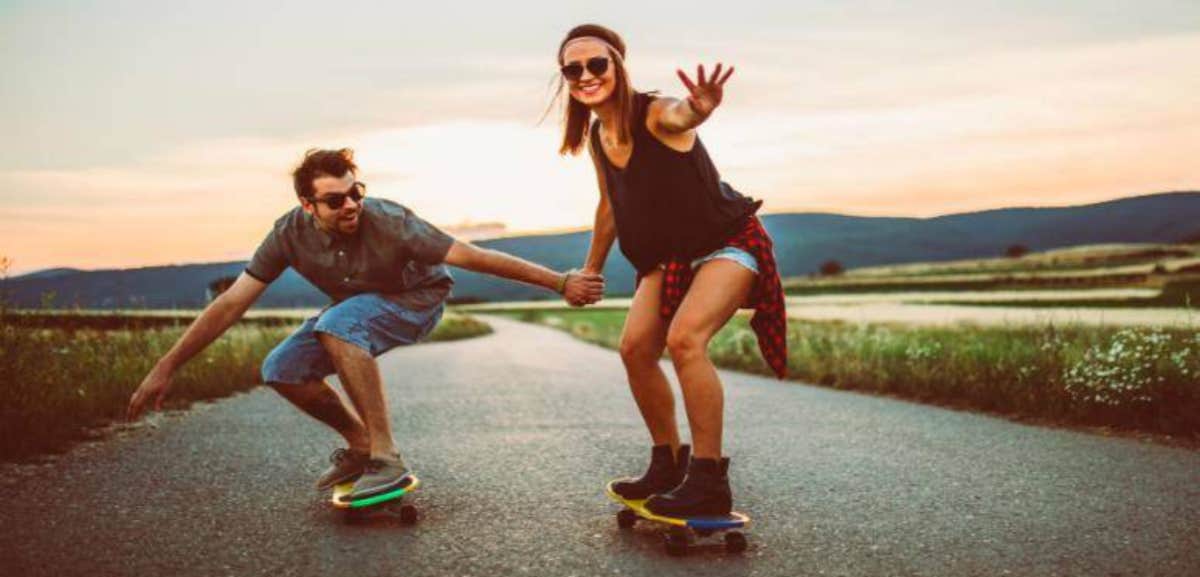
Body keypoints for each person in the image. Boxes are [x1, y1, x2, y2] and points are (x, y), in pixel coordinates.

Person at [126, 148, 603, 500]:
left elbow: (475, 256)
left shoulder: (391, 220)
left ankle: (385, 457)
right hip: (356, 307)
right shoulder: (286, 235)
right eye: (335, 201)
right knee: (281, 368)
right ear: (307, 206)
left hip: (419, 301)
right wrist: (166, 367)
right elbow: (231, 304)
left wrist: (560, 281)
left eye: (356, 192)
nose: (351, 205)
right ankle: (358, 444)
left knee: (338, 324)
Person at [552, 24, 788, 517]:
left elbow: (682, 116)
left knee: (685, 341)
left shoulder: (655, 113)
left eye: (598, 63)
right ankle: (668, 463)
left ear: (617, 65)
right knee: (635, 348)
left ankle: (708, 479)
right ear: (566, 79)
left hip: (727, 242)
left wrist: (699, 108)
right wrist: (591, 270)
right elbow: (610, 207)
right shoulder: (599, 136)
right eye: (573, 68)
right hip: (671, 258)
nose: (586, 74)